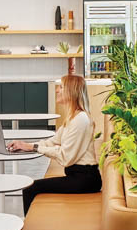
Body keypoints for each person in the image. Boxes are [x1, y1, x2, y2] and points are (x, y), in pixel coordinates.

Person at [11, 74, 100, 211]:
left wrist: (33, 147)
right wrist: (25, 145)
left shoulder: (80, 119)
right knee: (32, 188)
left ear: (71, 91)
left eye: (61, 87)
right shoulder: (73, 116)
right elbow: (53, 141)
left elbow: (66, 157)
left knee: (30, 188)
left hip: (85, 180)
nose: (57, 90)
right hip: (77, 176)